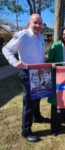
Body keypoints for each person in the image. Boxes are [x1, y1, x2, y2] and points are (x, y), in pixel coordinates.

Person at [2, 14, 50, 142]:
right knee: (28, 102)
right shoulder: (22, 35)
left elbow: (40, 55)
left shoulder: (41, 37)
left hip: (39, 72)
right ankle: (26, 131)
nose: (38, 25)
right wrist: (14, 62)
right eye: (35, 22)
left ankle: (37, 117)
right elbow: (6, 49)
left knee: (38, 97)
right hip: (26, 72)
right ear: (29, 23)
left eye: (40, 23)